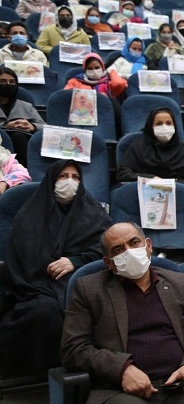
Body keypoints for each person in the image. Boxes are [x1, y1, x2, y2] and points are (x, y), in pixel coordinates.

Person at [60, 222, 184, 404]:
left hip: (178, 386)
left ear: (148, 246)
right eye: (118, 250)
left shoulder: (180, 283)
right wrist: (122, 369)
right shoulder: (88, 289)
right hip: (119, 391)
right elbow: (73, 348)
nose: (129, 251)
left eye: (134, 243)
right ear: (109, 263)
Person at [0, 160, 110, 376]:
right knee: (45, 312)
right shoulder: (29, 215)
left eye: (76, 177)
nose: (70, 182)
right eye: (63, 176)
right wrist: (52, 267)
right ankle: (47, 377)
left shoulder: (94, 213)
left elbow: (107, 249)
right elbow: (24, 260)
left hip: (83, 284)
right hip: (38, 285)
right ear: (51, 180)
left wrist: (75, 261)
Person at [117, 108, 184, 245]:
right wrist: (150, 178)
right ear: (150, 126)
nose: (164, 127)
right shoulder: (138, 147)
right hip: (149, 195)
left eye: (168, 123)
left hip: (180, 193)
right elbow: (123, 173)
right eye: (159, 123)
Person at [0, 67, 45, 167]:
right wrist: (7, 126)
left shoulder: (26, 105)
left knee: (19, 137)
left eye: (12, 82)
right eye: (2, 81)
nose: (7, 84)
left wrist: (32, 126)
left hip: (25, 142)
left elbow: (44, 127)